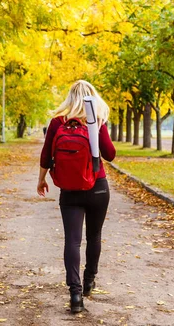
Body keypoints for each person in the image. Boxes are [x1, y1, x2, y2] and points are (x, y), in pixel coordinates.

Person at [37, 80, 116, 314]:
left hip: (70, 190)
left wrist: (41, 179)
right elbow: (110, 154)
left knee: (72, 240)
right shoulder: (97, 120)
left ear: (70, 97)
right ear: (93, 97)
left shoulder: (57, 121)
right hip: (98, 186)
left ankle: (75, 295)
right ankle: (90, 280)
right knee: (94, 236)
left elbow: (45, 155)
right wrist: (99, 129)